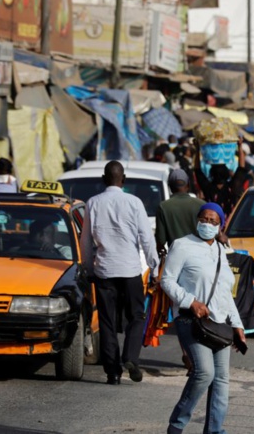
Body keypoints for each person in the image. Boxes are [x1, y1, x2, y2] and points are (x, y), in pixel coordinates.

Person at [160, 203, 245, 434]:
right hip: (191, 320)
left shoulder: (220, 250)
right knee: (204, 372)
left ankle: (214, 430)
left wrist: (237, 325)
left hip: (219, 325)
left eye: (213, 221)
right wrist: (191, 301)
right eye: (204, 219)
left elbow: (225, 292)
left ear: (220, 226)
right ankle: (176, 425)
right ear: (197, 220)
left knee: (221, 380)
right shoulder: (182, 245)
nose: (207, 224)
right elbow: (166, 280)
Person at [81, 161, 159, 385]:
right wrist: (154, 268)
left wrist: (87, 269)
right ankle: (130, 357)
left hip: (104, 270)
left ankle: (112, 372)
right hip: (130, 270)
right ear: (122, 179)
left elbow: (85, 241)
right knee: (136, 316)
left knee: (106, 322)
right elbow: (146, 238)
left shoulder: (93, 203)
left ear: (104, 179)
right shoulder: (134, 202)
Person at [194, 138, 251, 217]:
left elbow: (198, 171)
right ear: (226, 173)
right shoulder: (233, 187)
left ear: (212, 173)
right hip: (229, 224)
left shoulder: (208, 188)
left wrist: (197, 149)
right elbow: (241, 168)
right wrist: (240, 146)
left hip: (212, 223)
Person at [155, 169, 206, 254]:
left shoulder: (163, 207)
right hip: (199, 255)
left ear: (170, 186)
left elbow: (161, 240)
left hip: (176, 257)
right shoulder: (202, 205)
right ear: (188, 185)